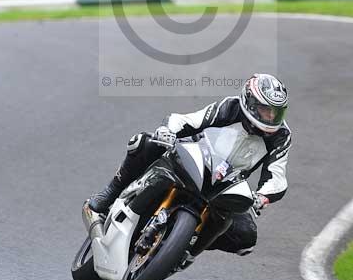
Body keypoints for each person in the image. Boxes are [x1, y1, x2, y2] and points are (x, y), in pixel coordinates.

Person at [87, 73, 291, 257]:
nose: (271, 118)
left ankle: (185, 248)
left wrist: (262, 196)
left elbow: (277, 176)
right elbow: (190, 120)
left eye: (276, 113)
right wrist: (168, 130)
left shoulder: (281, 136)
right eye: (266, 110)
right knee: (144, 142)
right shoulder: (231, 108)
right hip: (194, 159)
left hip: (226, 185)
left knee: (246, 238)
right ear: (251, 104)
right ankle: (110, 194)